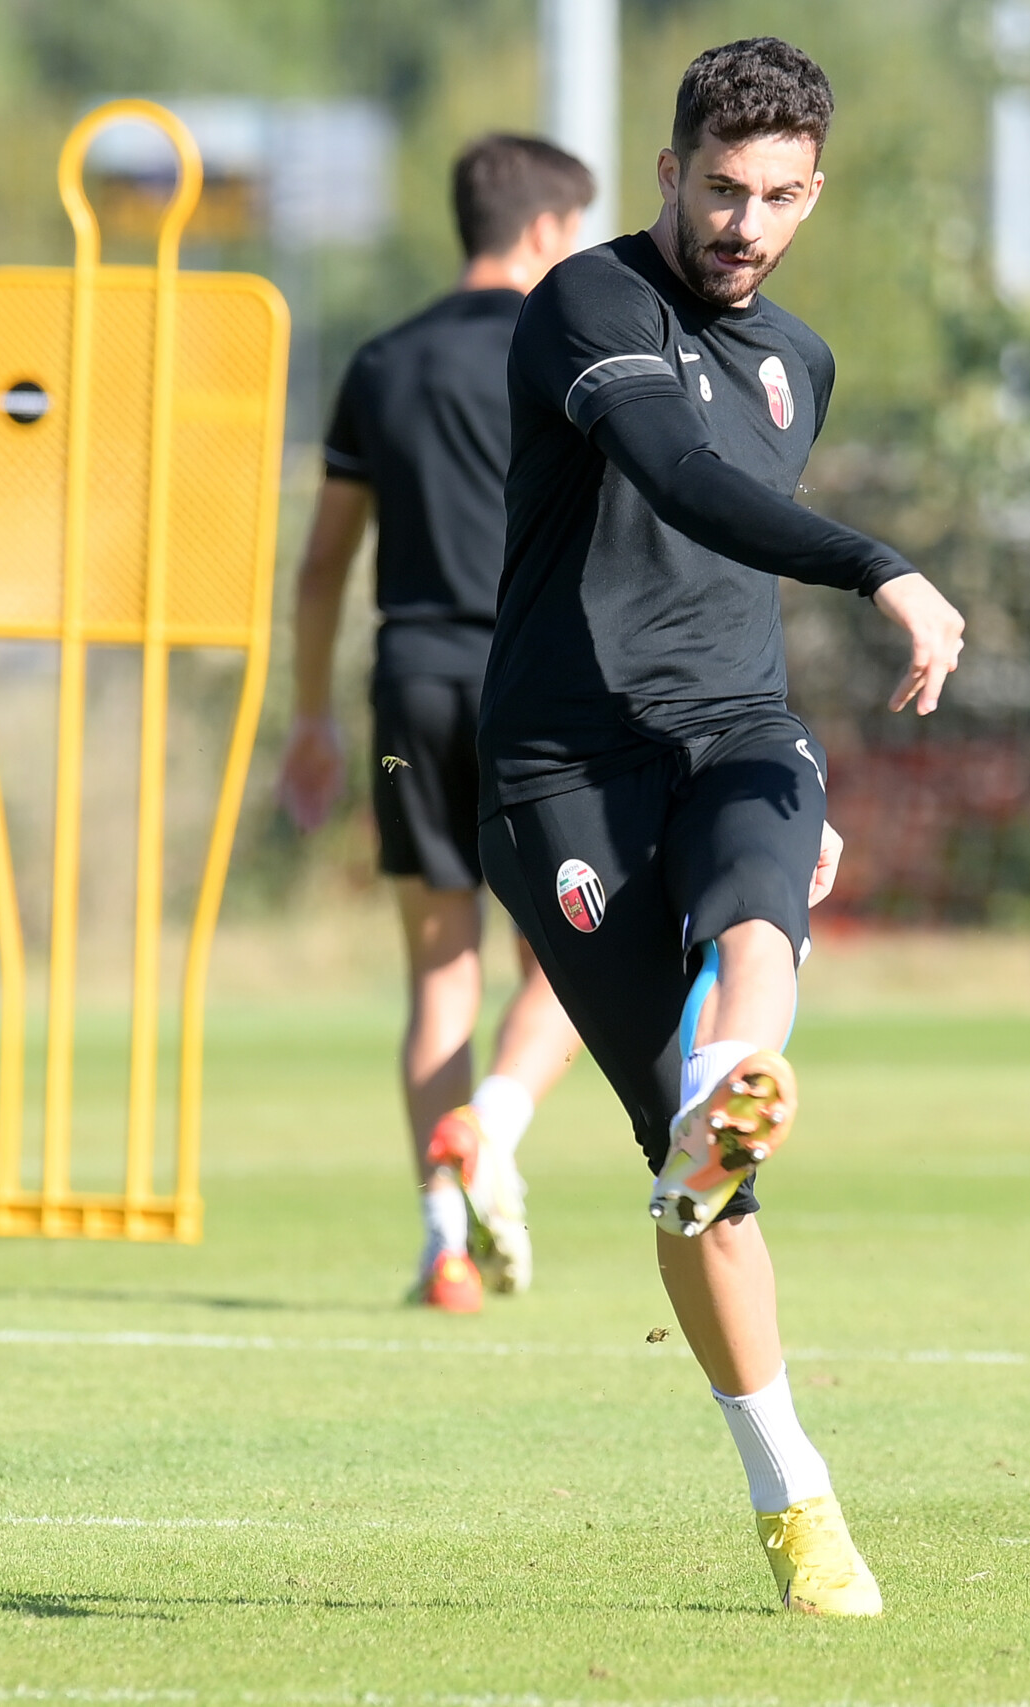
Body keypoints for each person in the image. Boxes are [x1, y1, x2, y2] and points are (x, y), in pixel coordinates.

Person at [478, 39, 966, 1616]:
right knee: (701, 1193)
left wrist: (790, 784)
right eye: (721, 188)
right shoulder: (588, 308)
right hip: (565, 768)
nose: (744, 223)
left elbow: (724, 562)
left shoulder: (801, 362)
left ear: (812, 194)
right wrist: (881, 562)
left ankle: (728, 1079)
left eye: (778, 197)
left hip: (743, 735)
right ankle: (791, 1487)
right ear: (670, 169)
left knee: (761, 906)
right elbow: (680, 480)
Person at [281, 135, 596, 1315]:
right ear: (544, 232)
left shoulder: (382, 362)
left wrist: (310, 716)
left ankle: (441, 1248)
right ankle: (496, 1127)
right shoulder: (565, 345)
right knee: (570, 953)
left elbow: (321, 568)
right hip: (537, 685)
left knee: (436, 971)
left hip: (409, 680)